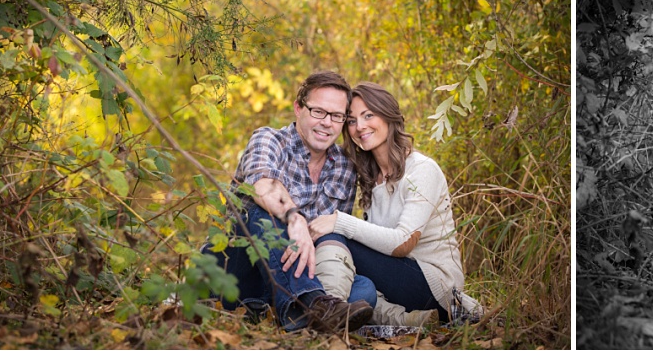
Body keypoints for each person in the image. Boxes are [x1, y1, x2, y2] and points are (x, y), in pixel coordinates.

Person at [203, 71, 374, 333]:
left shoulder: (345, 167)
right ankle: (311, 304)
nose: (327, 123)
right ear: (298, 108)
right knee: (253, 208)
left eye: (337, 116)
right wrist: (294, 219)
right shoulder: (269, 139)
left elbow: (331, 238)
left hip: (290, 274)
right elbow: (261, 185)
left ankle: (282, 311)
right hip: (236, 271)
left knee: (365, 290)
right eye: (318, 111)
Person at [307, 83, 483, 326]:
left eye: (369, 115)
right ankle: (414, 320)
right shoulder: (372, 179)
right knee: (360, 290)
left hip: (435, 284)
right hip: (400, 280)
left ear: (389, 116)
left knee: (338, 235)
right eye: (351, 120)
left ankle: (327, 311)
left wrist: (339, 221)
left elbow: (402, 243)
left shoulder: (421, 170)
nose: (360, 127)